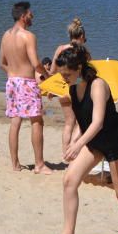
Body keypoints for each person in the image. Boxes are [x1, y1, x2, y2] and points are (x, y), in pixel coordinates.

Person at [44, 44, 118, 234]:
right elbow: (83, 121)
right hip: (95, 142)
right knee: (69, 181)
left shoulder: (98, 85)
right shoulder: (73, 88)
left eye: (67, 73)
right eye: (61, 73)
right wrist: (75, 141)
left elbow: (97, 121)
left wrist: (78, 144)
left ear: (80, 67)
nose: (63, 77)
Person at [0, 1, 52, 174]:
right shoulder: (28, 36)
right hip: (27, 83)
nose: (32, 16)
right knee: (37, 121)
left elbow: (2, 63)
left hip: (12, 82)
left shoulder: (6, 35)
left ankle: (15, 164)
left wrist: (12, 74)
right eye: (30, 14)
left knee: (15, 122)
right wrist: (48, 76)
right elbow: (36, 63)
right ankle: (39, 164)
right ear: (23, 16)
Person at [52, 17, 88, 153]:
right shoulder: (82, 52)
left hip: (62, 90)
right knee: (79, 124)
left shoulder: (60, 49)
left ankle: (65, 152)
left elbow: (52, 72)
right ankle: (74, 152)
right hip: (77, 91)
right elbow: (87, 73)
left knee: (68, 123)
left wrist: (51, 89)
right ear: (82, 36)